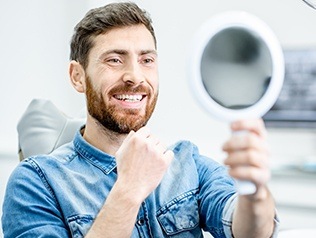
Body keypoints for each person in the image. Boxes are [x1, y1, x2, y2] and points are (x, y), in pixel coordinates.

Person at [2, 2, 279, 237]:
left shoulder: (188, 163)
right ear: (78, 76)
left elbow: (247, 230)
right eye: (114, 60)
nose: (135, 76)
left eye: (146, 60)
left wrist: (254, 192)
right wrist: (128, 190)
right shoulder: (35, 182)